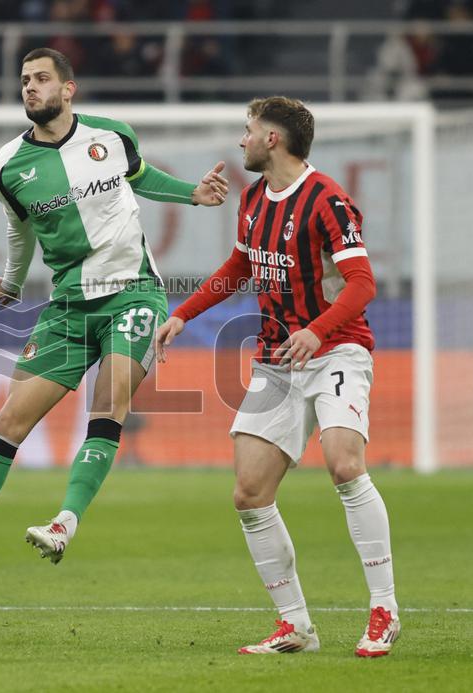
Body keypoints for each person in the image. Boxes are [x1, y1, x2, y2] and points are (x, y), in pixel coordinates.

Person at [0, 47, 228, 582]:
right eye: (24, 80)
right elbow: (20, 232)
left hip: (133, 295)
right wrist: (13, 282)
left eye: (42, 79)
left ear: (68, 89)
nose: (30, 88)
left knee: (108, 403)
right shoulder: (8, 166)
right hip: (66, 308)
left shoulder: (112, 135)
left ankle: (66, 521)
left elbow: (139, 175)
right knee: (7, 422)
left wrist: (193, 195)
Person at [154, 97, 399, 657]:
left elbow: (362, 284)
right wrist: (181, 314)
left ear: (274, 140)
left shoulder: (328, 200)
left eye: (248, 131)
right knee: (248, 492)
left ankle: (383, 609)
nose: (241, 141)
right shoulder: (252, 200)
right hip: (276, 360)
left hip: (337, 351)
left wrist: (316, 330)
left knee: (344, 463)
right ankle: (296, 625)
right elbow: (239, 267)